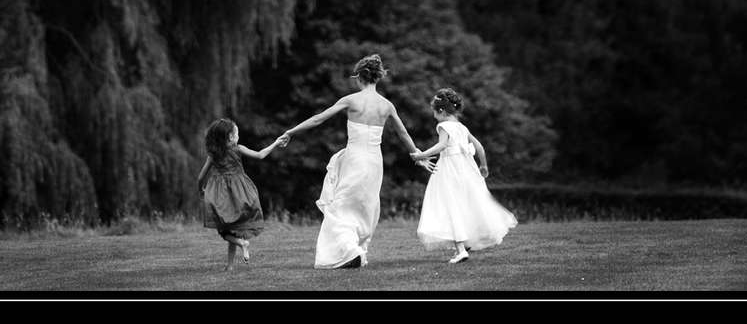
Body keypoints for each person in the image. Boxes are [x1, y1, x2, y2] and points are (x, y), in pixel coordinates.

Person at [280, 53, 433, 269]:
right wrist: (418, 156)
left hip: (355, 158)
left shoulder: (351, 100)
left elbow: (318, 118)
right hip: (374, 162)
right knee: (365, 205)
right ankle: (356, 248)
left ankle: (350, 250)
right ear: (377, 78)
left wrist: (291, 131)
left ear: (359, 77)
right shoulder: (386, 105)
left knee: (341, 205)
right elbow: (404, 135)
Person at [409, 87, 517, 264]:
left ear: (441, 110)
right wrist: (483, 166)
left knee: (450, 205)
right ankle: (466, 243)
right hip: (466, 170)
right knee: (464, 204)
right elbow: (480, 147)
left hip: (449, 170)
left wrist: (422, 155)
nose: (434, 116)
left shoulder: (443, 125)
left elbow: (441, 146)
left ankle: (460, 250)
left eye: (434, 112)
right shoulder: (462, 127)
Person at [196, 118, 288, 271]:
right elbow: (260, 155)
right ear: (230, 137)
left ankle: (240, 246)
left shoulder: (213, 155)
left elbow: (200, 177)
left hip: (222, 195)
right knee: (233, 228)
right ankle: (231, 265)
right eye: (237, 133)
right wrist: (276, 143)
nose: (238, 136)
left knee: (225, 229)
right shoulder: (238, 149)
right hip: (240, 191)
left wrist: (201, 190)